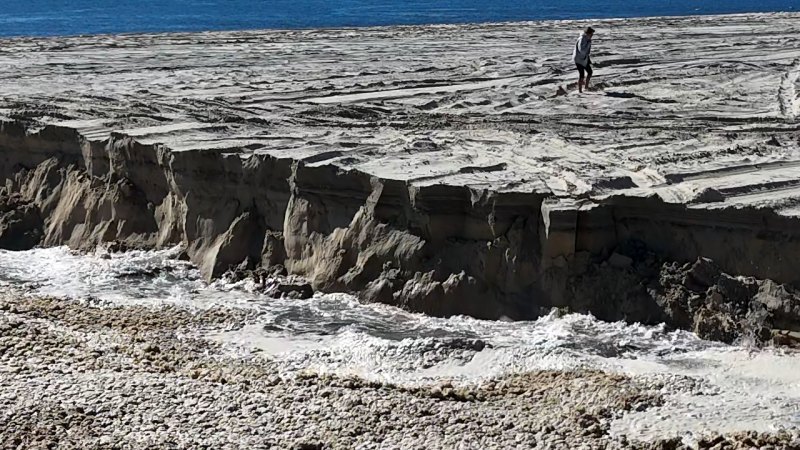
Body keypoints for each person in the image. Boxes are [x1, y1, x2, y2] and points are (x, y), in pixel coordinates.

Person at [573, 27, 595, 93]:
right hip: (579, 59)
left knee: (590, 72)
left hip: (584, 59)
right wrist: (588, 44)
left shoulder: (587, 39)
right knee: (581, 74)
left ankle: (586, 87)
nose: (592, 35)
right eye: (591, 34)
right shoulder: (582, 39)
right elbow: (582, 50)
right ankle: (580, 90)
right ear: (588, 33)